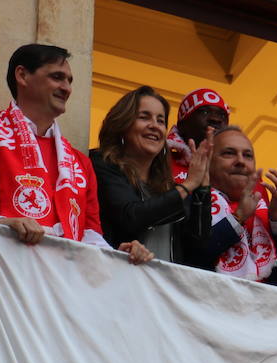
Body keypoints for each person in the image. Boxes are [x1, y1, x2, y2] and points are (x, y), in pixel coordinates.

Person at [0, 43, 153, 279]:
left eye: (69, 81)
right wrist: (0, 224)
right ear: (22, 75)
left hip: (57, 300)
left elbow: (89, 238)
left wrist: (119, 255)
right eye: (57, 77)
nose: (66, 88)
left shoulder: (80, 164)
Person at [91, 85, 212, 264]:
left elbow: (198, 249)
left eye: (160, 120)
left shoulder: (169, 188)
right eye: (144, 117)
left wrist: (203, 188)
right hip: (116, 279)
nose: (154, 126)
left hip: (162, 288)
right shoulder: (100, 163)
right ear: (122, 124)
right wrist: (188, 185)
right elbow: (130, 216)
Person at [205, 125, 277, 286]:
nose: (240, 161)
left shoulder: (265, 212)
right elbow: (190, 258)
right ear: (208, 161)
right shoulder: (193, 202)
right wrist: (238, 217)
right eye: (229, 153)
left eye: (247, 155)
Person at [168, 88, 230, 184]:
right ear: (182, 125)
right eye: (204, 112)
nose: (215, 119)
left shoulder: (240, 171)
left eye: (222, 115)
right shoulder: (159, 162)